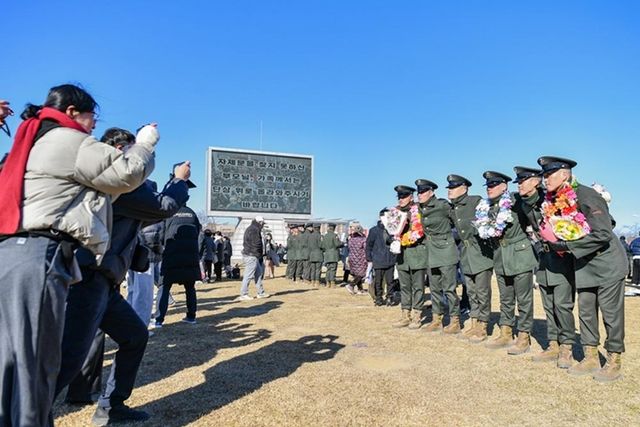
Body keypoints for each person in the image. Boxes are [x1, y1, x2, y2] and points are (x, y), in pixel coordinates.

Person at [0, 84, 155, 426]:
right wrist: (144, 144)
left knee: (17, 366)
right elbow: (127, 174)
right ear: (71, 111)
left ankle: (108, 406)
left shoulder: (31, 142)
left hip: (20, 254)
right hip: (45, 257)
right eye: (91, 116)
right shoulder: (66, 140)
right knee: (37, 368)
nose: (93, 125)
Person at [56, 128, 190, 425]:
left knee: (134, 336)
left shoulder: (115, 182)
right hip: (88, 278)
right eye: (134, 150)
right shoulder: (115, 180)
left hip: (102, 281)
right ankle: (19, 414)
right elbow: (162, 207)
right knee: (67, 358)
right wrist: (179, 181)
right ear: (119, 150)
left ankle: (110, 406)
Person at [538, 156, 628, 382]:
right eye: (544, 175)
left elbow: (603, 233)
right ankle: (590, 357)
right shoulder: (553, 201)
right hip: (584, 265)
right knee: (586, 312)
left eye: (549, 175)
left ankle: (614, 359)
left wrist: (567, 246)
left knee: (611, 314)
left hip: (607, 263)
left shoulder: (586, 195)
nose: (545, 179)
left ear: (565, 174)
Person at [514, 166, 576, 368]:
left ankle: (566, 346)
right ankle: (553, 343)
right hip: (543, 258)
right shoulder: (525, 203)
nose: (519, 185)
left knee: (563, 305)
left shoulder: (551, 197)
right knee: (548, 305)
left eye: (523, 181)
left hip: (562, 258)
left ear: (535, 181)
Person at [479, 171, 537, 355]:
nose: (489, 188)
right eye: (488, 186)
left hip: (520, 255)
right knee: (505, 298)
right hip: (500, 256)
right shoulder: (486, 206)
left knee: (524, 299)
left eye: (493, 185)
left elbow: (533, 202)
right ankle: (506, 332)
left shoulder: (515, 200)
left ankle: (524, 336)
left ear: (504, 186)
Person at [447, 174, 495, 343]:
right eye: (449, 188)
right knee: (471, 291)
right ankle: (475, 322)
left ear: (464, 188)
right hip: (465, 253)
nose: (450, 191)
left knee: (482, 292)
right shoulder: (452, 208)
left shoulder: (475, 201)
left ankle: (483, 325)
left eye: (453, 188)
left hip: (481, 253)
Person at [416, 179, 460, 334]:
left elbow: (457, 221)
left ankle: (455, 321)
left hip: (446, 251)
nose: (420, 195)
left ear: (431, 192)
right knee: (434, 288)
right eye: (418, 192)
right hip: (430, 252)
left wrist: (449, 237)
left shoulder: (442, 205)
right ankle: (437, 319)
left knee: (449, 289)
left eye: (423, 192)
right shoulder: (419, 208)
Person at [155, 203, 202, 326]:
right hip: (190, 255)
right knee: (190, 287)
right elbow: (197, 231)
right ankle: (191, 317)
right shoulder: (192, 213)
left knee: (164, 286)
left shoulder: (168, 212)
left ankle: (159, 320)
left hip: (171, 254)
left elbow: (161, 234)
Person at [390, 185, 428, 330]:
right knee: (405, 286)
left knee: (418, 286)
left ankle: (417, 315)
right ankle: (405, 314)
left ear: (411, 197)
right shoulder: (394, 212)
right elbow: (387, 231)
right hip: (402, 255)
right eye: (399, 197)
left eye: (404, 196)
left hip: (417, 253)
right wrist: (390, 239)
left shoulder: (419, 210)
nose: (401, 199)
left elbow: (422, 229)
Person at [366, 209, 397, 306]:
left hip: (390, 258)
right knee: (378, 281)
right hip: (378, 259)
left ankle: (390, 297)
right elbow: (369, 245)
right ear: (380, 217)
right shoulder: (374, 230)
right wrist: (369, 258)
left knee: (390, 281)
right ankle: (378, 298)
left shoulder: (393, 229)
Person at [238, 216, 270, 300]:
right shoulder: (254, 230)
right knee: (248, 275)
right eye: (262, 223)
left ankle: (261, 292)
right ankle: (243, 294)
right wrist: (259, 253)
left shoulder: (251, 228)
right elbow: (257, 243)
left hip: (251, 254)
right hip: (252, 255)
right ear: (260, 222)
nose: (263, 225)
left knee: (258, 274)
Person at [346, 223, 368, 295]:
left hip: (352, 259)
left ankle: (360, 289)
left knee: (357, 274)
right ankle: (351, 285)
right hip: (361, 259)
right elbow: (366, 249)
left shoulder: (351, 240)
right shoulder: (363, 240)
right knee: (361, 274)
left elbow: (349, 248)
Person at [320, 223, 343, 287]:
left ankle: (327, 282)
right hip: (333, 255)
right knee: (333, 269)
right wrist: (342, 243)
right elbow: (337, 244)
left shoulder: (325, 236)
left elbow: (322, 246)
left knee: (328, 269)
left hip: (327, 255)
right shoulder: (334, 235)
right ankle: (332, 282)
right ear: (334, 228)